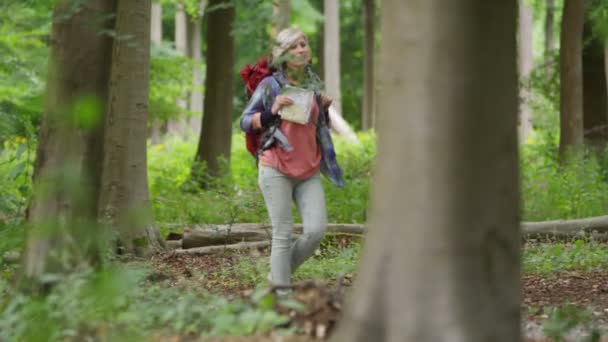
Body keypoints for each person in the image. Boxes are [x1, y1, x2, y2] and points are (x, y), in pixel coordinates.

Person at [240, 28, 344, 287]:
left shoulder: (313, 83)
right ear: (284, 56)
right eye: (294, 47)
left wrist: (324, 109)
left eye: (303, 44)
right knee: (283, 235)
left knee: (315, 232)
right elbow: (243, 121)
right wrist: (271, 110)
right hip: (275, 168)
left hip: (308, 170)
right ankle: (281, 294)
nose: (301, 49)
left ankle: (277, 276)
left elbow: (316, 128)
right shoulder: (270, 85)